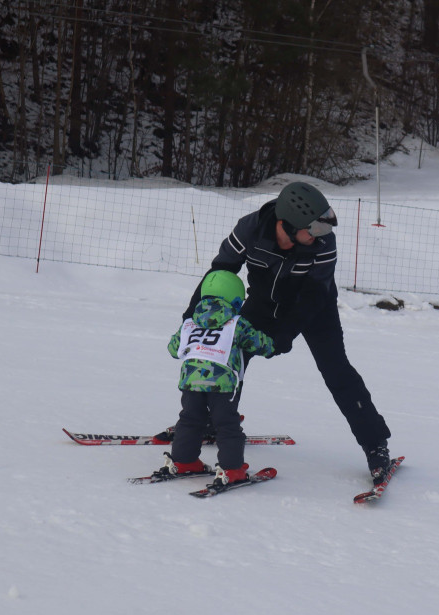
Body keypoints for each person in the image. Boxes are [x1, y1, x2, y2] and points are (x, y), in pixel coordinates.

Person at [164, 181, 394, 479]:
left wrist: (283, 336)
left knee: (337, 370)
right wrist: (190, 320)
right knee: (226, 355)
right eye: (313, 230)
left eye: (321, 230)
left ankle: (375, 444)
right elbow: (219, 272)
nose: (319, 236)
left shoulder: (324, 245)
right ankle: (207, 419)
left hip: (314, 308)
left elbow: (313, 296)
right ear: (286, 225)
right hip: (263, 302)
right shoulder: (249, 229)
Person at [149, 270, 275, 487]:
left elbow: (173, 348)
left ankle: (184, 461)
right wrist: (272, 345)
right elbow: (260, 344)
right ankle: (232, 468)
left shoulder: (189, 323)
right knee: (226, 425)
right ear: (235, 300)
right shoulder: (237, 323)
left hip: (190, 383)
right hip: (223, 385)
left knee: (189, 420)